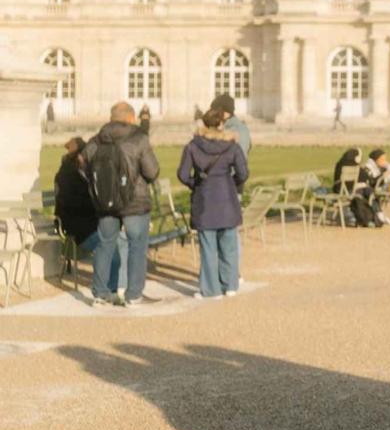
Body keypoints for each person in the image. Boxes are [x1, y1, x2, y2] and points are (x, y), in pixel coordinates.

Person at [83, 102, 161, 306]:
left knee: (105, 245)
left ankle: (100, 293)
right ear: (130, 118)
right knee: (137, 245)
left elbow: (86, 170)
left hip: (105, 202)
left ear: (111, 118)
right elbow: (152, 172)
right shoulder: (139, 139)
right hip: (135, 201)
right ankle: (134, 294)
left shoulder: (94, 142)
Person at [177, 107, 249, 299]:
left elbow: (183, 175)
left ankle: (211, 289)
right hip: (226, 197)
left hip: (204, 199)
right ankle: (230, 285)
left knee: (208, 247)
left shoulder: (193, 145)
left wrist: (196, 184)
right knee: (229, 246)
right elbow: (243, 173)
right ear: (221, 124)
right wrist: (230, 183)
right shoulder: (232, 146)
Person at [53, 136, 120, 298]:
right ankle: (103, 291)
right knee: (108, 249)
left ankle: (110, 290)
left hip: (89, 222)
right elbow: (71, 204)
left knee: (113, 247)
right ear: (79, 157)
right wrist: (97, 206)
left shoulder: (82, 172)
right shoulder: (65, 176)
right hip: (76, 225)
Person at [332, 148, 380, 227]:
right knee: (368, 192)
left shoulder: (339, 164)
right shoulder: (356, 168)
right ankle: (372, 215)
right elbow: (366, 178)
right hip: (350, 193)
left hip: (338, 191)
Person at [360, 149, 390, 226]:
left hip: (375, 189)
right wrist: (385, 176)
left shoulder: (380, 167)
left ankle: (380, 216)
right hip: (366, 190)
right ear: (376, 159)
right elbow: (371, 181)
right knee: (373, 194)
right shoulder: (368, 168)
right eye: (382, 159)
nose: (384, 161)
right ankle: (379, 215)